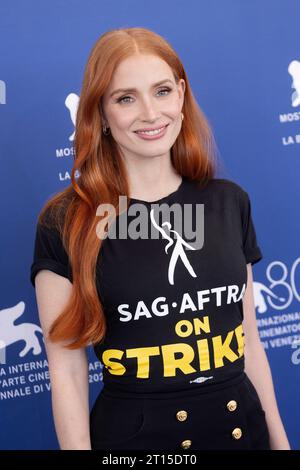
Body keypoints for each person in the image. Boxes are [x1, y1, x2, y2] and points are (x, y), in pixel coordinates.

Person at [30, 27, 290, 450]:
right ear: (102, 113)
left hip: (243, 434)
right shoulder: (66, 222)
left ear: (182, 95)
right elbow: (67, 373)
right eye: (126, 98)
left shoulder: (228, 202)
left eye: (163, 91)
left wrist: (279, 442)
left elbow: (250, 343)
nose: (150, 113)